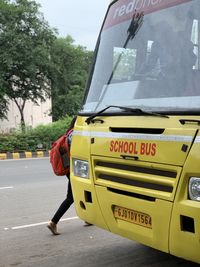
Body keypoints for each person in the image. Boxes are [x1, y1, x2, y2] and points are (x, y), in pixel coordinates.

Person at [47, 117, 76, 235]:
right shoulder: (76, 135)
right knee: (71, 197)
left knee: (79, 194)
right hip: (76, 170)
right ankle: (53, 222)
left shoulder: (69, 133)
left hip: (70, 170)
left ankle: (88, 218)